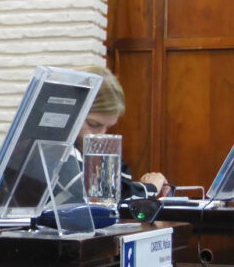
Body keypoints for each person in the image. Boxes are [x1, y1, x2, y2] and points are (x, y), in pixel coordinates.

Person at [56, 65, 171, 203]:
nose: (100, 135)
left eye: (107, 128)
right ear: (71, 111)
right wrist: (150, 188)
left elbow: (114, 192)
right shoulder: (53, 145)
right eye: (93, 124)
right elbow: (95, 196)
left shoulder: (92, 147)